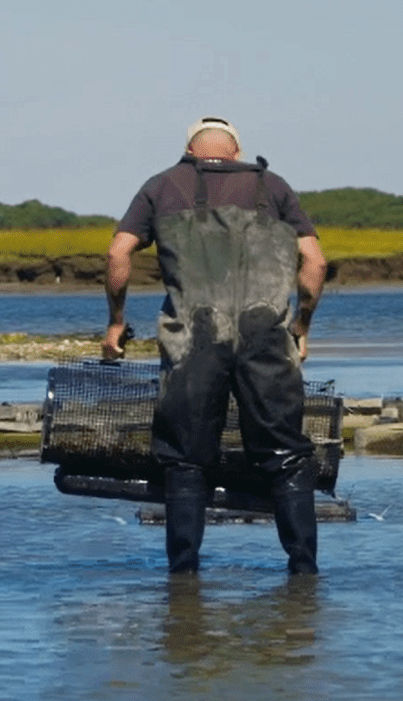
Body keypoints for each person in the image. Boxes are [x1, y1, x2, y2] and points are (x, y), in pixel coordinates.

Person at [102, 116, 328, 575]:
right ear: (236, 151)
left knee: (186, 459)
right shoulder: (273, 186)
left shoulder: (163, 185)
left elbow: (117, 253)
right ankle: (304, 572)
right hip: (266, 337)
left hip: (192, 341)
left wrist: (116, 322)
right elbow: (315, 261)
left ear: (189, 149)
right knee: (285, 453)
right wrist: (302, 324)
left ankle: (183, 576)